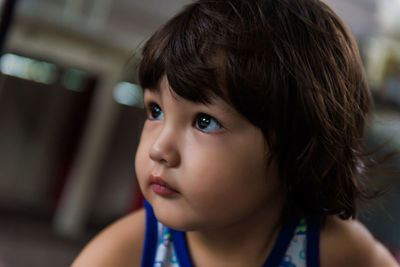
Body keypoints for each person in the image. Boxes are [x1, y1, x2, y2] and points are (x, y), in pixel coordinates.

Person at [72, 0, 399, 266]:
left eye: (204, 121)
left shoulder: (334, 250)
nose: (159, 149)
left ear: (303, 152)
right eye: (155, 111)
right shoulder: (125, 253)